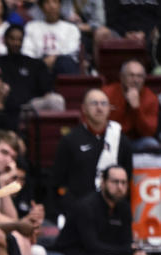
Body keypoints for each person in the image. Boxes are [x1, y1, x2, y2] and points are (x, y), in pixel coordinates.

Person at [51, 88, 133, 219]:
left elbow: (127, 180)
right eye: (94, 103)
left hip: (111, 211)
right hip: (77, 210)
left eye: (104, 104)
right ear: (83, 108)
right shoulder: (70, 140)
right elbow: (57, 180)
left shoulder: (121, 141)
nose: (99, 108)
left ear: (109, 109)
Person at [0, 24, 65, 118]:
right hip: (5, 106)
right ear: (5, 40)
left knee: (56, 100)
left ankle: (53, 132)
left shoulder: (34, 64)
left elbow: (46, 90)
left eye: (19, 39)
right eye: (12, 39)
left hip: (29, 107)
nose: (16, 43)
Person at [103, 60, 161, 150]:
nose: (136, 80)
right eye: (131, 75)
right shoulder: (107, 93)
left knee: (151, 143)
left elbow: (149, 132)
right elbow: (101, 124)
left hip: (136, 141)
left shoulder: (151, 98)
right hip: (111, 140)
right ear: (122, 77)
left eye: (140, 76)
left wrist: (136, 109)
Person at [22, 0, 82, 75]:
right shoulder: (31, 27)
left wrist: (53, 58)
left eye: (55, 2)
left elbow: (71, 49)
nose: (52, 6)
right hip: (38, 64)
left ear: (60, 5)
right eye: (47, 2)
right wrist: (42, 62)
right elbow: (27, 51)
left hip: (63, 65)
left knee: (66, 62)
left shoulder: (71, 28)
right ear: (41, 7)